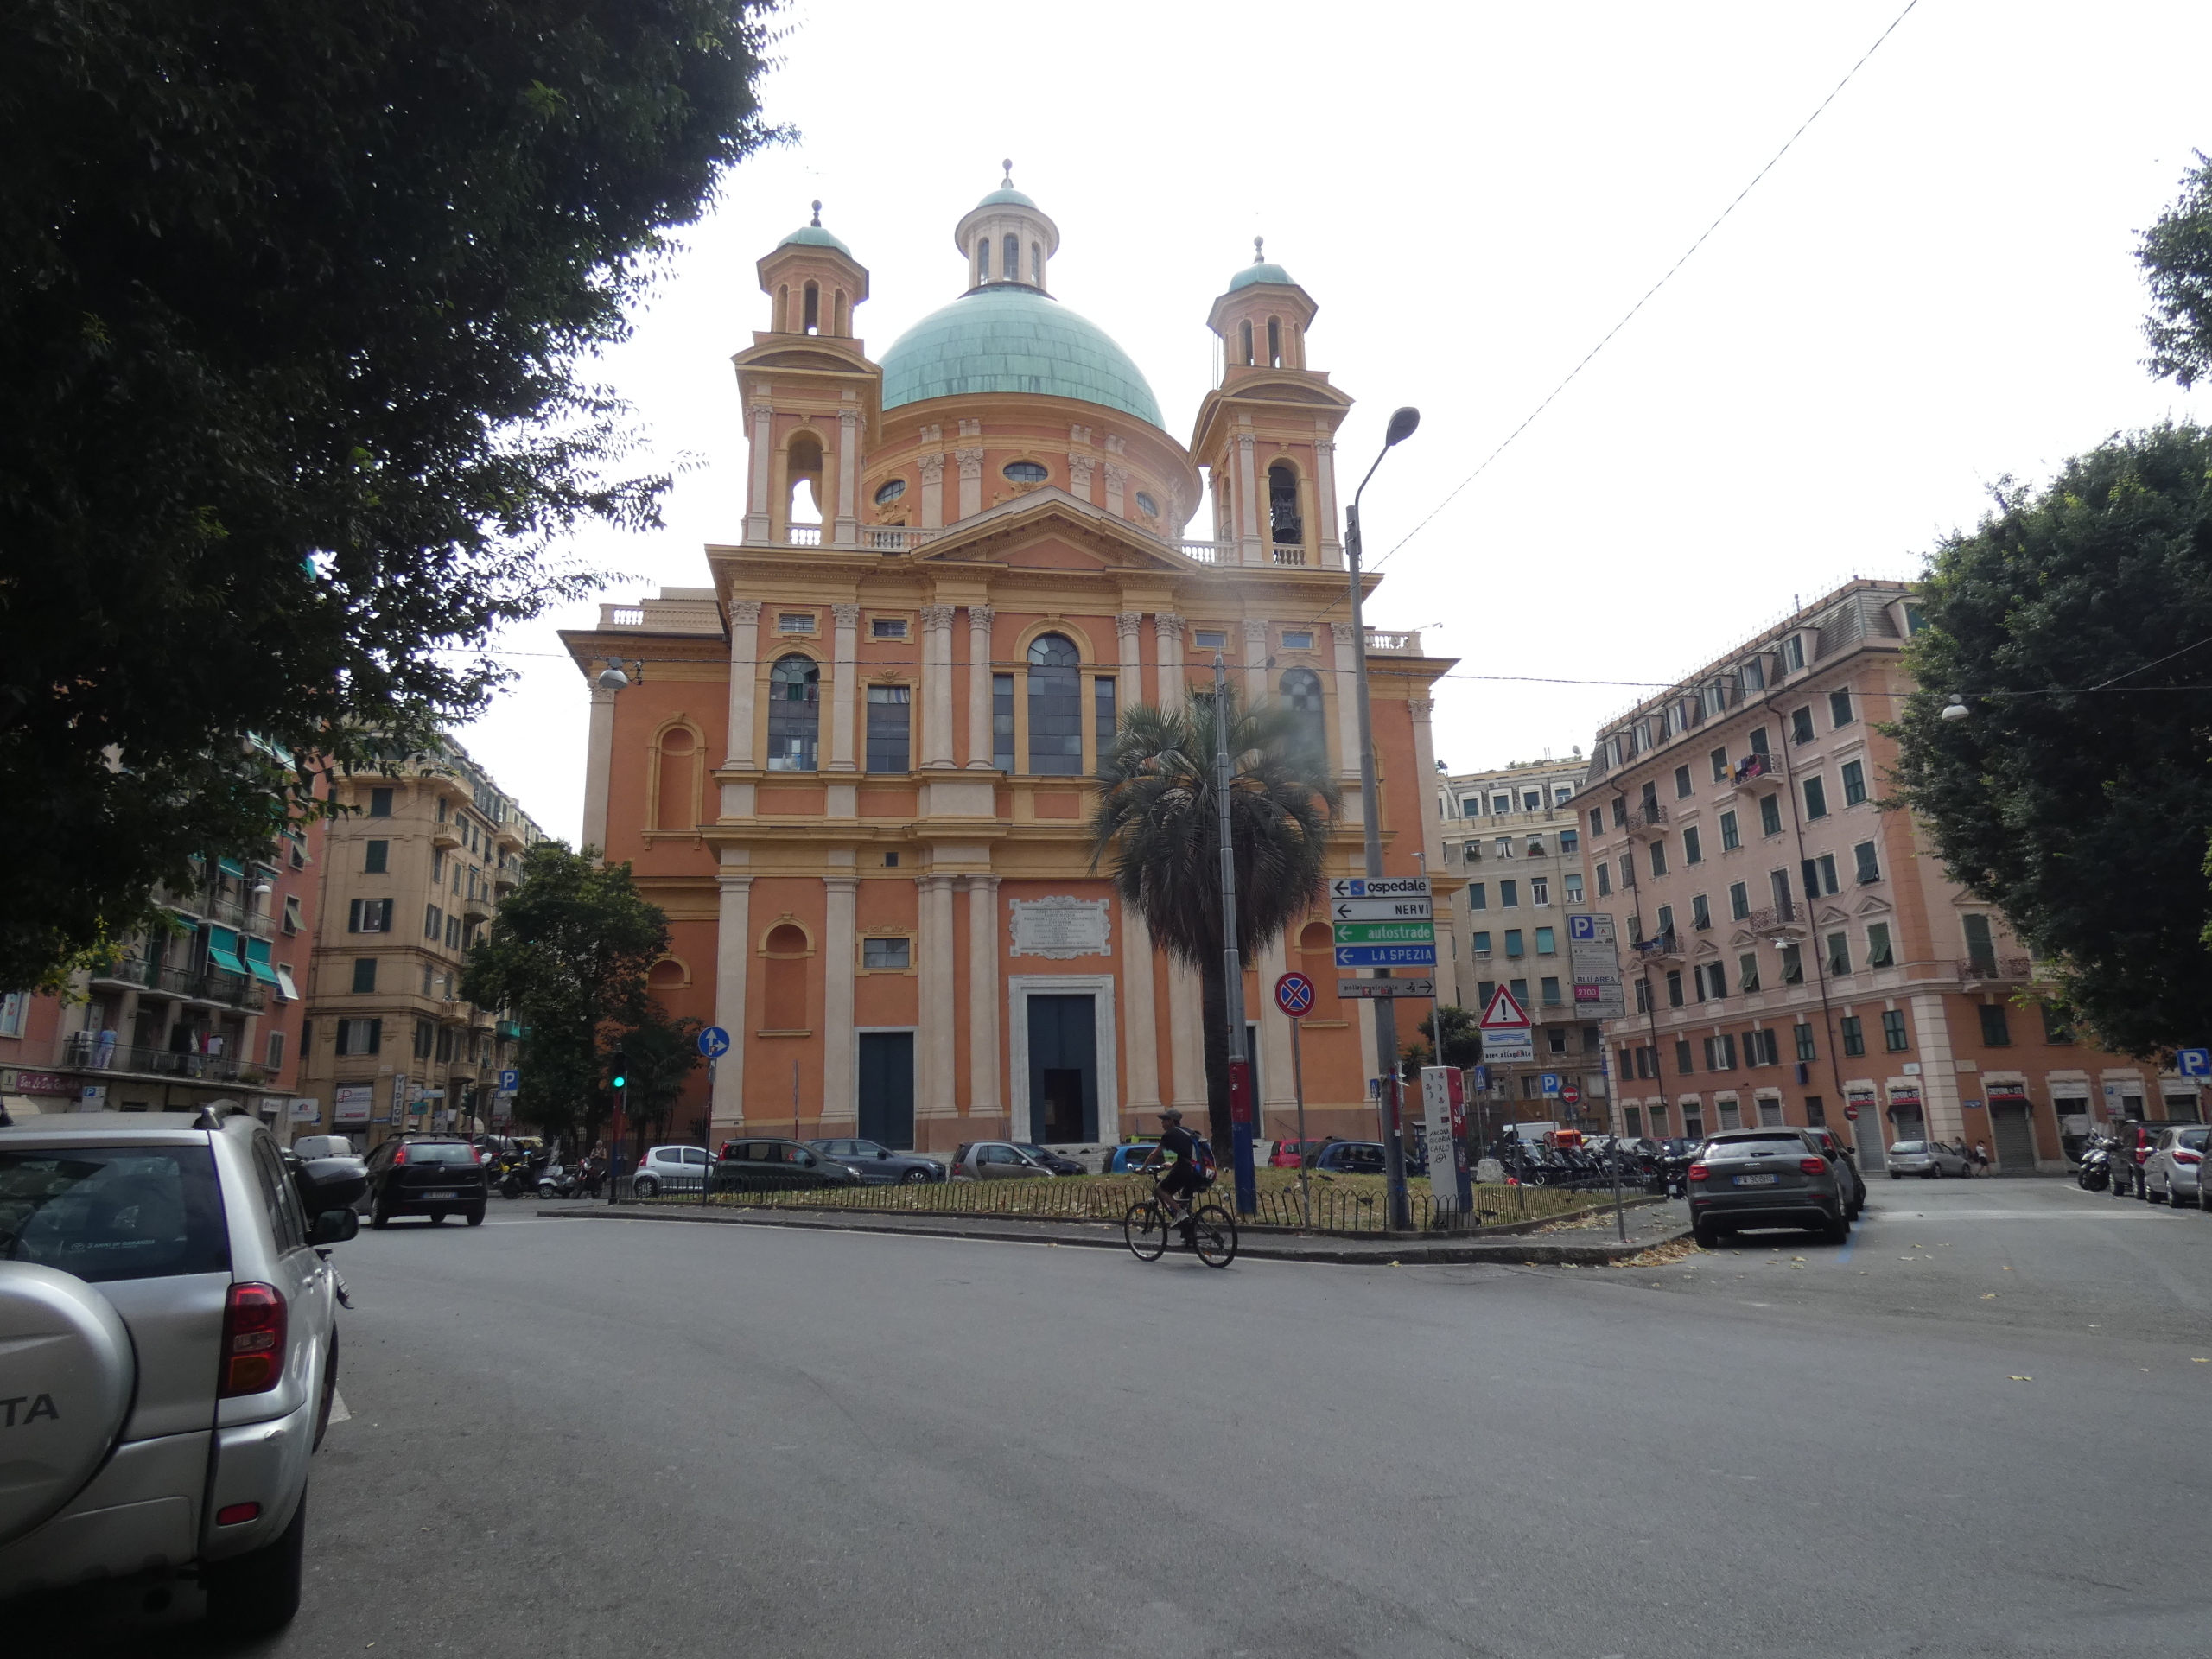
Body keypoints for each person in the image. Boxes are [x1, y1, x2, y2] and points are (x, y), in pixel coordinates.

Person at [1141, 1109, 1205, 1246]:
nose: (1162, 1123)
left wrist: (1142, 1169)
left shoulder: (1170, 1134)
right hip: (1198, 1171)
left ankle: (1181, 1215)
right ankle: (1188, 1236)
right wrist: (1173, 1165)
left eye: (1164, 1120)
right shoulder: (1187, 1131)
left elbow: (1154, 1154)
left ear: (1171, 1121)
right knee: (1183, 1202)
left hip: (1186, 1169)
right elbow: (1189, 1154)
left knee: (1161, 1190)